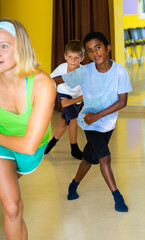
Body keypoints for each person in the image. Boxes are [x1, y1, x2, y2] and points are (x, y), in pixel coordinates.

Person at [62, 32, 132, 212]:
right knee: (105, 158)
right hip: (88, 121)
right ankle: (117, 197)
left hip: (106, 123)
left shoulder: (119, 71)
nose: (95, 53)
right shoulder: (85, 71)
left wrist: (99, 115)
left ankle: (73, 185)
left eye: (98, 47)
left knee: (88, 159)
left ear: (108, 48)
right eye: (90, 51)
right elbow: (62, 79)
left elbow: (122, 102)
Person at [0, 18, 55, 239]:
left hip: (30, 149)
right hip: (3, 146)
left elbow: (29, 146)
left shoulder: (42, 83)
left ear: (20, 47)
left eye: (4, 46)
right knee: (12, 207)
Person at [44, 40, 85, 159]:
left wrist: (71, 102)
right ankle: (74, 148)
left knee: (63, 122)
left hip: (77, 99)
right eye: (70, 57)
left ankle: (50, 145)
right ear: (65, 57)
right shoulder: (61, 68)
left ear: (82, 59)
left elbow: (87, 95)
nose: (72, 60)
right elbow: (50, 82)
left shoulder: (84, 73)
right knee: (74, 119)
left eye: (76, 58)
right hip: (63, 94)